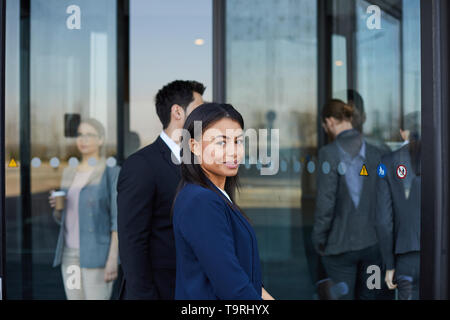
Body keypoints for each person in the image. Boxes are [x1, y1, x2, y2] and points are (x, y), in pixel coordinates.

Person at [172, 103, 274, 300]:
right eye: (221, 142)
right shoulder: (200, 201)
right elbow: (232, 286)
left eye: (238, 141)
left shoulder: (216, 195)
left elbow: (245, 279)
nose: (233, 151)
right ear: (194, 147)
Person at [117, 80, 205, 300]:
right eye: (199, 109)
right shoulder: (142, 165)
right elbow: (132, 242)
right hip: (160, 291)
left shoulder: (199, 160)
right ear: (178, 112)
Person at [312, 100, 382, 300]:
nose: (326, 130)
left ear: (330, 121)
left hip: (339, 247)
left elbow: (326, 204)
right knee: (370, 296)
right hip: (373, 247)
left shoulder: (328, 153)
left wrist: (319, 241)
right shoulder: (376, 153)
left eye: (325, 126)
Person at [49, 118, 120, 300]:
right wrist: (57, 208)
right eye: (80, 135)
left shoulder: (110, 173)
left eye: (89, 135)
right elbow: (63, 218)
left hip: (97, 256)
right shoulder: (68, 173)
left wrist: (113, 259)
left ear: (101, 140)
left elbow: (116, 220)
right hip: (69, 255)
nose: (83, 139)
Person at [376, 111, 421, 300]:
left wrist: (389, 265)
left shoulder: (387, 162)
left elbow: (384, 221)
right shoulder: (440, 155)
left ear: (403, 132)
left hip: (406, 256)